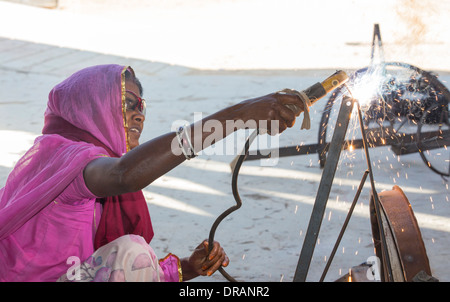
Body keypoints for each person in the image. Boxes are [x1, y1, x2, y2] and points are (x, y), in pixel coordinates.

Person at [0, 64, 304, 282]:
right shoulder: (67, 159)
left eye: (141, 106)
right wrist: (239, 116)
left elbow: (104, 270)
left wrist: (186, 268)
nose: (138, 115)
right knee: (133, 251)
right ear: (87, 107)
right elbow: (125, 175)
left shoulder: (65, 158)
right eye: (126, 103)